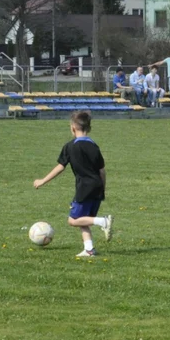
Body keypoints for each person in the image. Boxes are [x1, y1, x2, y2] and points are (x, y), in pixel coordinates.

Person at [33, 110, 115, 259]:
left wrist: (42, 181)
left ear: (72, 128)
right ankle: (89, 250)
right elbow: (102, 170)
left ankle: (102, 221)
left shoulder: (70, 146)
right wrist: (103, 189)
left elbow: (60, 167)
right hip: (97, 187)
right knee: (83, 219)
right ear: (88, 128)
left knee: (73, 220)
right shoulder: (94, 146)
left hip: (84, 188)